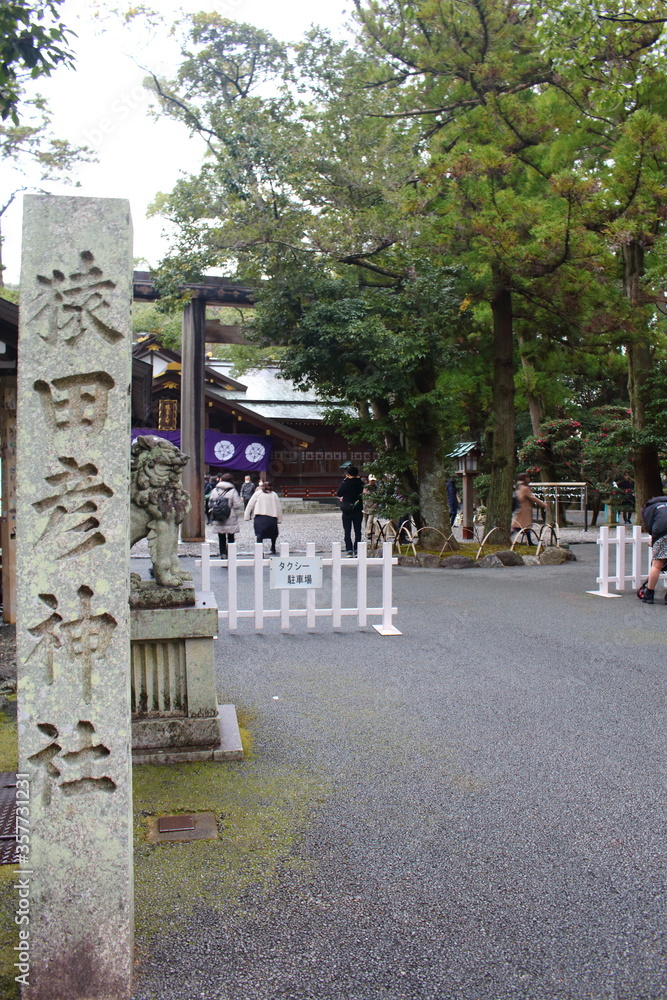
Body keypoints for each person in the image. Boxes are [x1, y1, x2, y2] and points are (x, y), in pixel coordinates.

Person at [639, 495, 667, 603]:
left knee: (657, 565)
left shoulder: (651, 507)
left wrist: (653, 538)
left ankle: (649, 593)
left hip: (661, 534)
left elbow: (650, 524)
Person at [208, 473, 243, 558]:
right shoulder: (232, 491)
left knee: (221, 537)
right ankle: (230, 554)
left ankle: (222, 553)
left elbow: (210, 504)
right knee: (230, 536)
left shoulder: (215, 490)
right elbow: (237, 505)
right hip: (230, 516)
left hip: (218, 516)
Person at [244, 480, 282, 554]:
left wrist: (247, 516)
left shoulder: (257, 494)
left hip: (260, 517)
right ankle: (273, 547)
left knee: (259, 534)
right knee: (273, 534)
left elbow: (250, 505)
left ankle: (259, 550)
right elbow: (278, 507)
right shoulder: (274, 495)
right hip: (272, 517)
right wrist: (279, 519)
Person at [511, 473, 547, 545]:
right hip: (524, 510)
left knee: (522, 526)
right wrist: (543, 504)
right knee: (522, 526)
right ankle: (529, 542)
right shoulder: (525, 488)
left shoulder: (518, 486)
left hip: (520, 508)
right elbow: (533, 497)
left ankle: (529, 541)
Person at [336, 465, 364, 555]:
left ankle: (349, 549)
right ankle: (357, 549)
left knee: (347, 531)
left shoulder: (346, 483)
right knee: (358, 530)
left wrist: (345, 480)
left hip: (347, 509)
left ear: (348, 474)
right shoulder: (360, 483)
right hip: (357, 508)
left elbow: (339, 493)